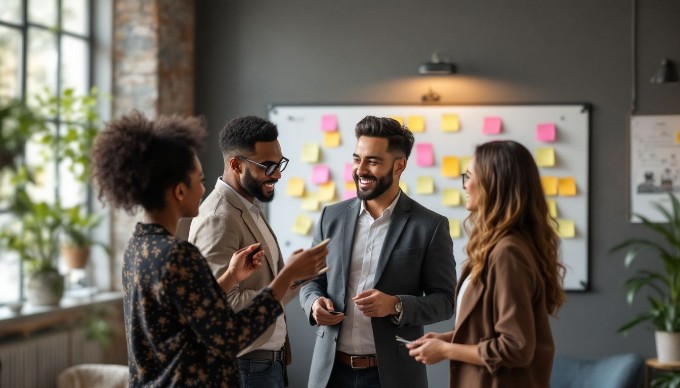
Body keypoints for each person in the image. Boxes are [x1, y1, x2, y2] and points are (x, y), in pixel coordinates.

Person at [90, 111, 328, 387]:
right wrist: (285, 277)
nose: (204, 191)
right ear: (180, 191)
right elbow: (227, 335)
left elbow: (188, 314)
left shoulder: (139, 246)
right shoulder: (177, 254)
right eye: (200, 180)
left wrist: (229, 278)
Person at [299, 115, 457, 388]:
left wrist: (396, 305)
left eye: (372, 161)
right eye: (357, 159)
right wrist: (313, 303)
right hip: (330, 374)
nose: (360, 169)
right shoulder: (330, 217)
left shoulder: (430, 226)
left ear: (400, 165)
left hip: (392, 376)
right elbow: (311, 281)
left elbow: (444, 301)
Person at [406, 140, 566, 388]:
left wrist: (447, 350)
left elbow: (516, 347)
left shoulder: (507, 253)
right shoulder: (500, 247)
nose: (465, 184)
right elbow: (488, 331)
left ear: (494, 183)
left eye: (470, 176)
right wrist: (449, 339)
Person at [178, 115, 295, 387]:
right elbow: (220, 305)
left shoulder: (249, 207)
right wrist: (285, 283)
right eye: (267, 166)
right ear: (235, 164)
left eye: (279, 164)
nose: (277, 174)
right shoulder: (219, 218)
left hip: (265, 362)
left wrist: (299, 277)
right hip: (246, 366)